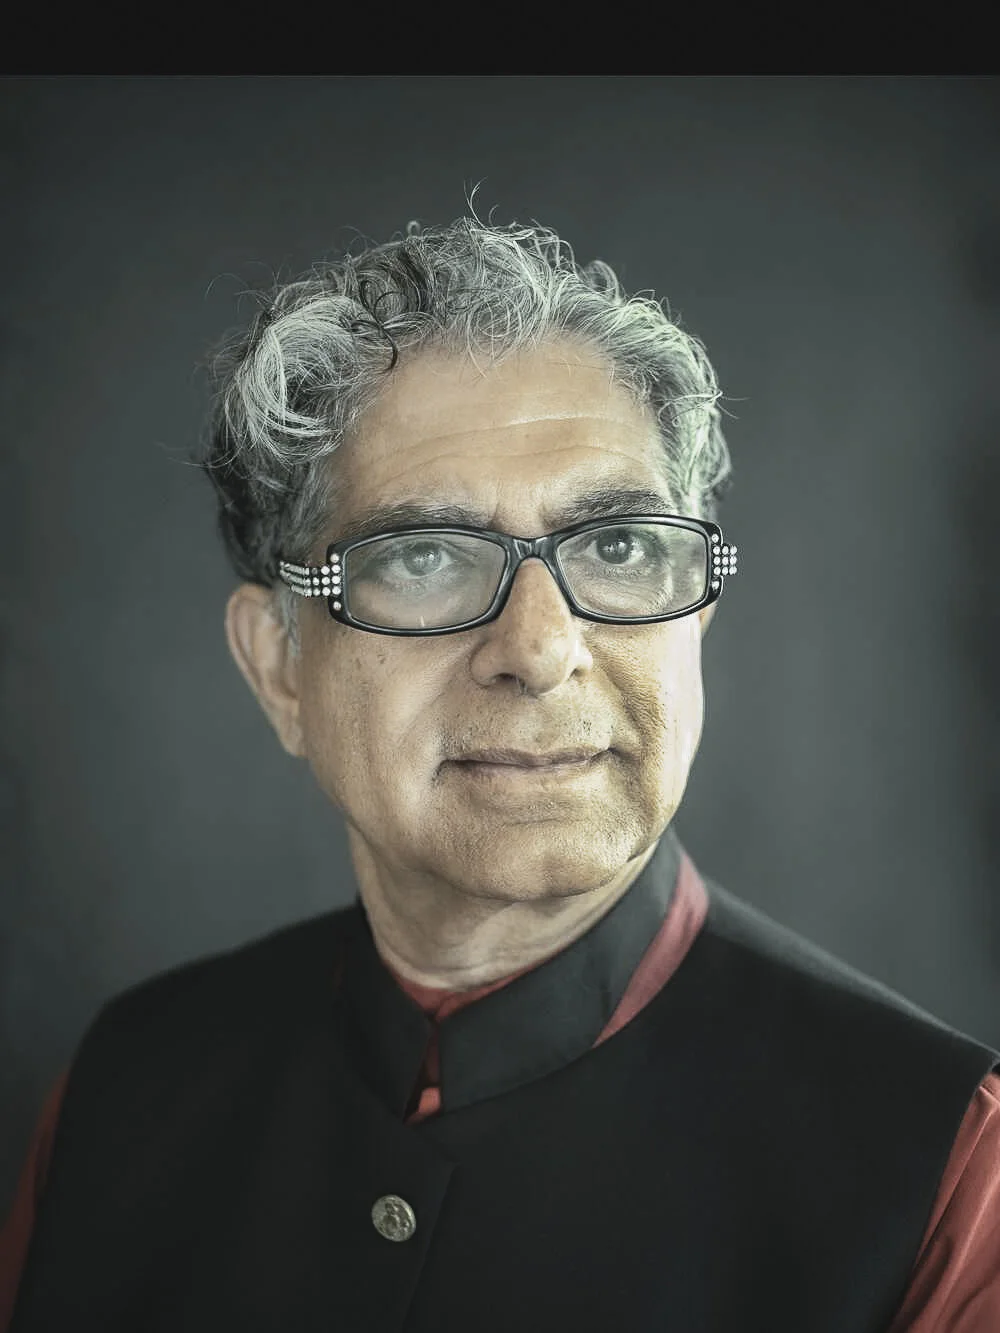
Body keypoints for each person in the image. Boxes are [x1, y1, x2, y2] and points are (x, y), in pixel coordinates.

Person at [2, 216, 998, 1331]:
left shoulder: (949, 1164)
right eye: (424, 555)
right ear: (279, 665)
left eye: (618, 545)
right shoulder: (123, 1088)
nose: (539, 648)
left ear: (696, 618)